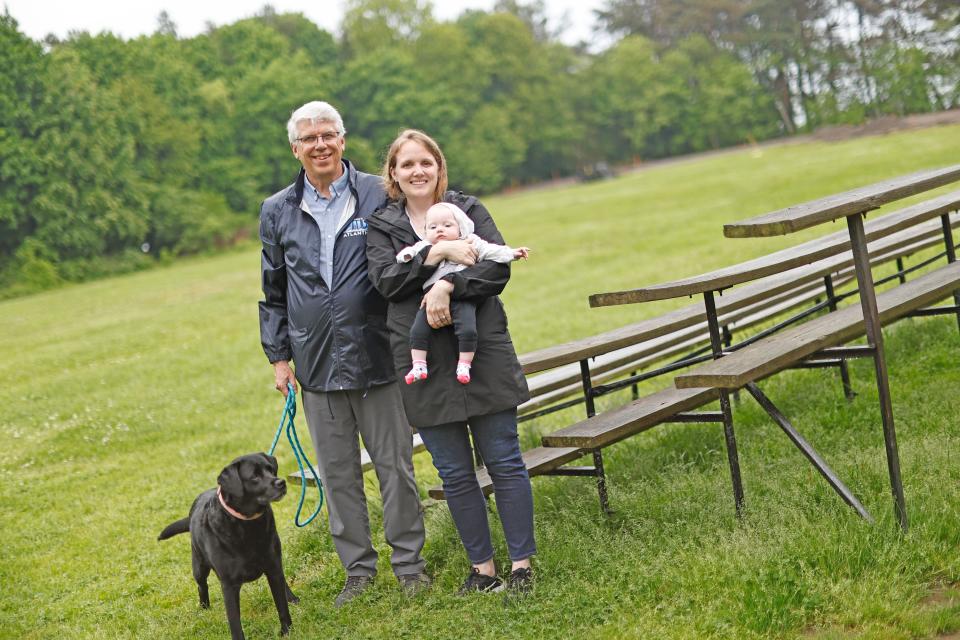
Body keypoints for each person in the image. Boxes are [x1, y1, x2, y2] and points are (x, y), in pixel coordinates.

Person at [258, 102, 429, 607]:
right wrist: (279, 357)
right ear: (295, 148)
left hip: (379, 354)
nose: (320, 144)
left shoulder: (379, 191)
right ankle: (358, 570)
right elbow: (273, 290)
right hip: (315, 364)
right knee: (337, 475)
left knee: (395, 467)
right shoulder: (277, 210)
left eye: (328, 134)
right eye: (309, 138)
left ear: (343, 140)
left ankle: (409, 565)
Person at [366, 129, 536, 595]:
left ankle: (521, 565)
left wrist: (447, 286)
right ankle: (482, 569)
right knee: (455, 472)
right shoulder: (383, 226)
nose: (417, 171)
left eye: (426, 162)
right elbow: (385, 281)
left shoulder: (469, 210)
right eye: (407, 165)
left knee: (504, 459)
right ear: (394, 175)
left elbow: (496, 267)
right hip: (421, 358)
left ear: (439, 168)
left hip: (481, 348)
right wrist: (437, 253)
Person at [395, 201, 530, 386]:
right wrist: (407, 256)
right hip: (429, 298)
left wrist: (512, 253)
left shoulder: (470, 241)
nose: (439, 230)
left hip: (462, 294)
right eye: (433, 227)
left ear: (461, 227)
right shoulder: (426, 246)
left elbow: (492, 251)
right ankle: (419, 365)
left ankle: (464, 364)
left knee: (467, 328)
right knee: (418, 330)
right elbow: (409, 254)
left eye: (447, 225)